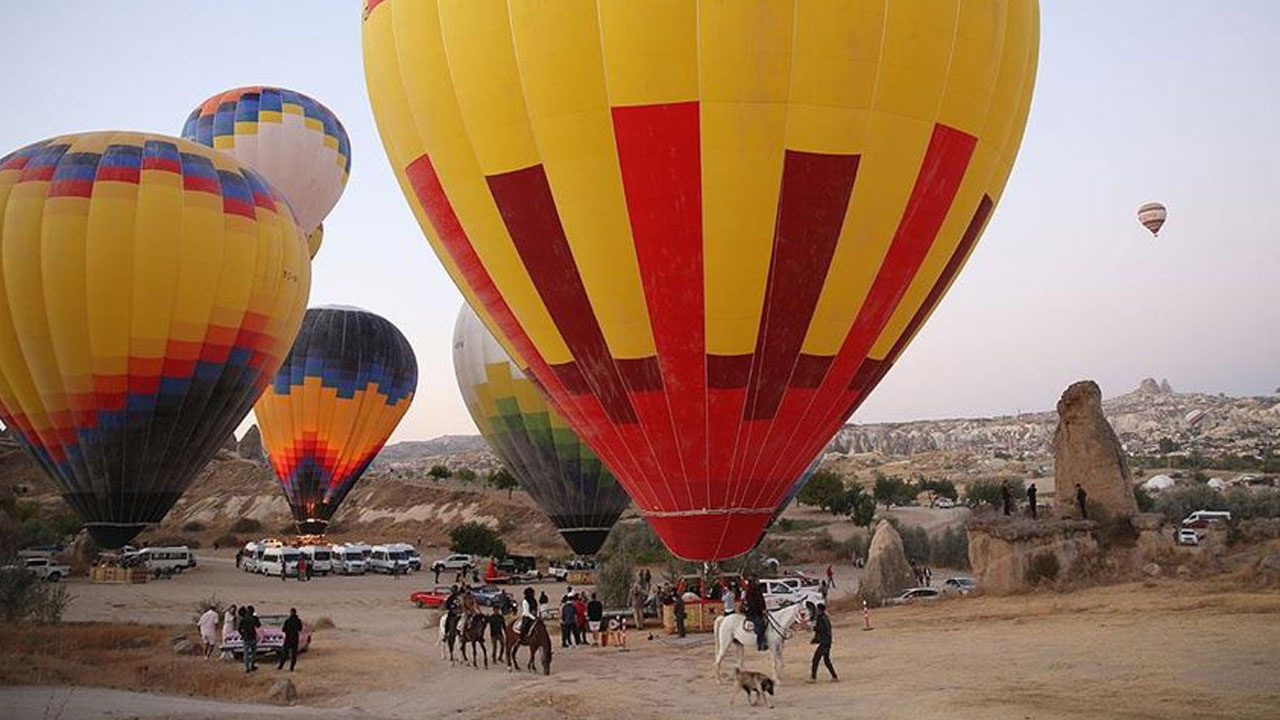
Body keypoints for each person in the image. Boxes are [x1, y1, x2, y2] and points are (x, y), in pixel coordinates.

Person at [807, 603, 837, 683]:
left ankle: (813, 678)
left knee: (815, 660)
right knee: (826, 660)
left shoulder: (821, 618)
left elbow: (820, 629)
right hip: (827, 642)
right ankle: (834, 676)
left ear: (819, 610)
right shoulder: (825, 617)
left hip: (824, 642)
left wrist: (813, 628)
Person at [744, 577, 768, 651]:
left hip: (760, 611)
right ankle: (760, 643)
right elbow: (752, 603)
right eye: (755, 581)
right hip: (753, 612)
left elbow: (762, 600)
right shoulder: (749, 591)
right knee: (760, 624)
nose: (756, 582)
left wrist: (764, 608)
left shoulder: (758, 590)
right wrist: (761, 610)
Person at [238, 605, 261, 673]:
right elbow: (258, 625)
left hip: (246, 638)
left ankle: (247, 668)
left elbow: (239, 629)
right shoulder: (254, 618)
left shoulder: (243, 619)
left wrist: (242, 635)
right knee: (253, 653)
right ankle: (252, 665)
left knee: (246, 653)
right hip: (253, 637)